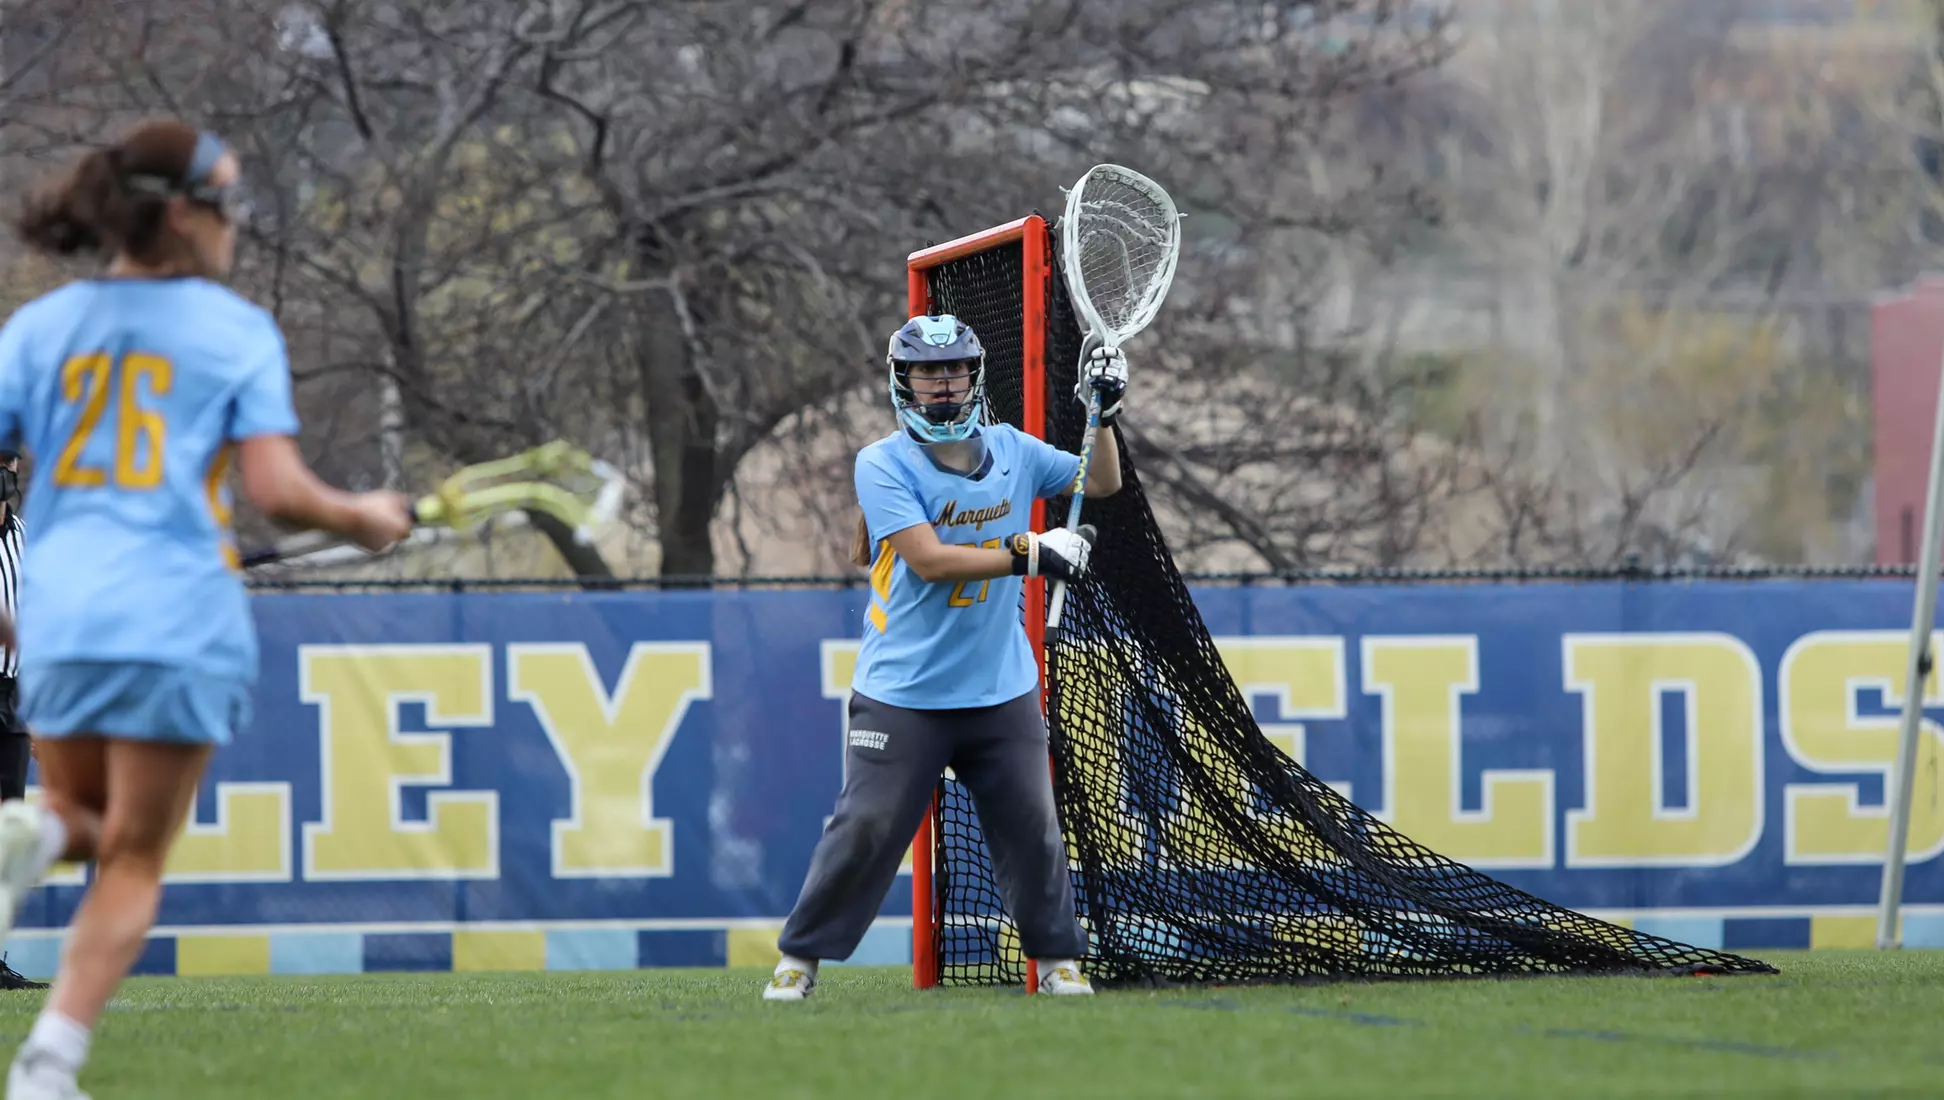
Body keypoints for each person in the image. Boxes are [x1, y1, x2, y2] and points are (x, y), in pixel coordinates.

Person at [0, 119, 414, 1100]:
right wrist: (363, 515)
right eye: (230, 205)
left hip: (59, 616)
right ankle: (48, 1062)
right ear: (181, 215)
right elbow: (278, 489)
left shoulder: (38, 330)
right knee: (137, 852)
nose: (238, 226)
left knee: (77, 814)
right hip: (176, 615)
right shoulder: (232, 331)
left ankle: (30, 836)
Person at [764, 313, 1127, 1001]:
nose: (943, 385)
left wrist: (1103, 416)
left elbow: (1096, 482)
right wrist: (1028, 552)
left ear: (973, 376)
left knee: (1031, 826)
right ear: (904, 383)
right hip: (905, 693)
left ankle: (1057, 962)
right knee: (866, 825)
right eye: (928, 373)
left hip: (999, 689)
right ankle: (800, 958)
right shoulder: (882, 462)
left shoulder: (1014, 450)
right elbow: (929, 561)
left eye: (954, 370)